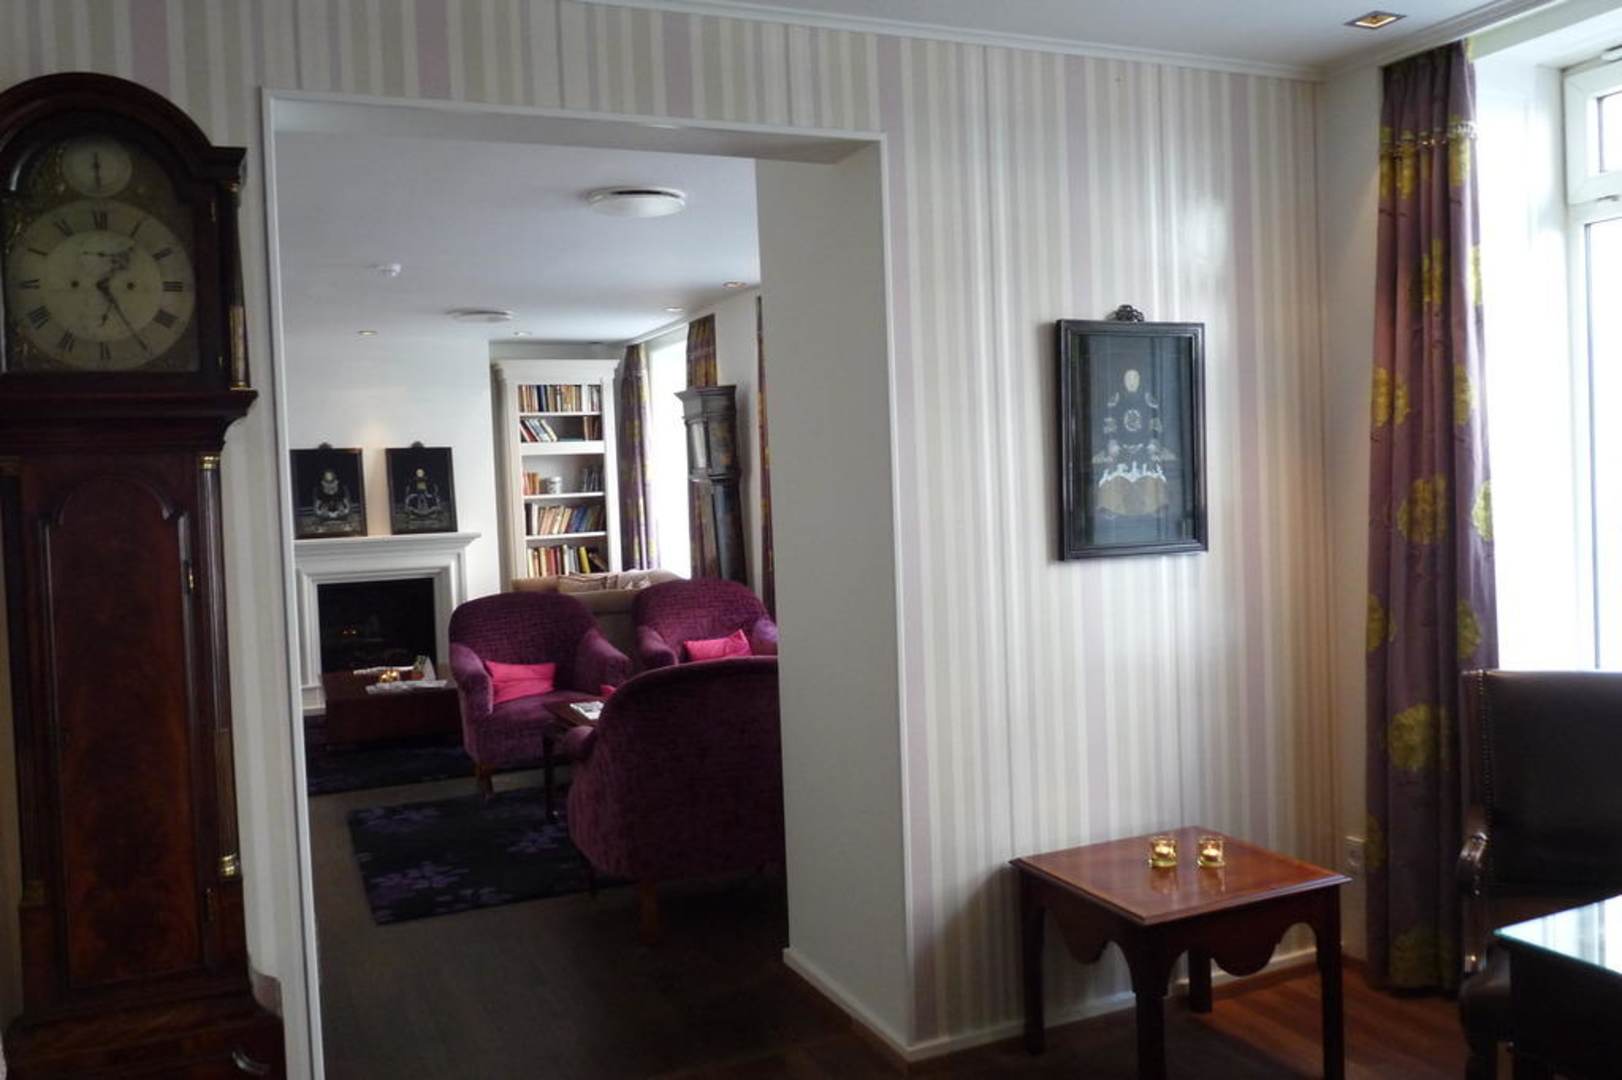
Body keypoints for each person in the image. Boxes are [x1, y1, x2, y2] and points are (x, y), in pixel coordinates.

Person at [1092, 367, 1176, 516]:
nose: (1131, 382)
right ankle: (1111, 507)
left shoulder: (1149, 401)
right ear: (1123, 381)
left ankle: (1156, 507)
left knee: (1153, 468)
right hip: (1121, 447)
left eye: (1134, 378)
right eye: (1128, 378)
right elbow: (1109, 424)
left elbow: (1155, 424)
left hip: (1144, 446)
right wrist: (1113, 442)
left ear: (1139, 380)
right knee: (1111, 468)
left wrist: (1152, 442)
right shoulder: (1115, 401)